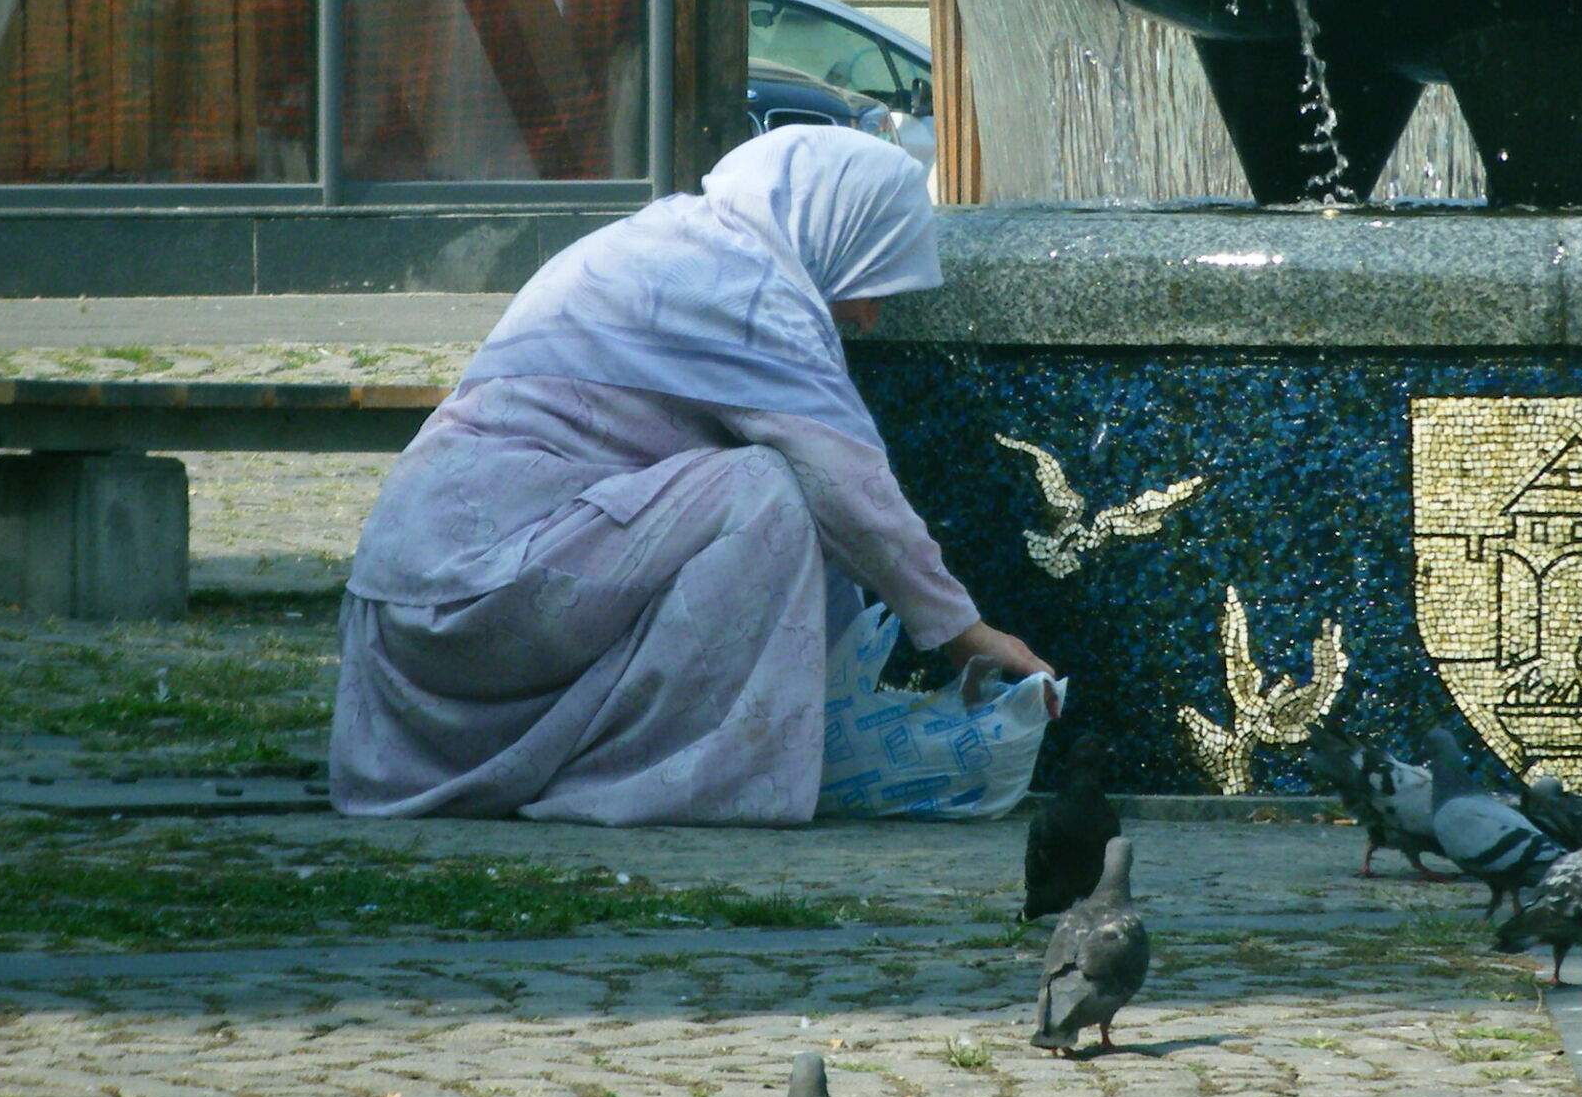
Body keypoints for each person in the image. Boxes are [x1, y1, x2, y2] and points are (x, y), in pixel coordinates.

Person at [330, 127, 1054, 824]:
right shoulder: (742, 288)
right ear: (833, 228)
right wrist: (966, 633)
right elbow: (850, 489)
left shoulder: (675, 244)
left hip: (423, 600)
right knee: (767, 489)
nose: (867, 316)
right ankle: (665, 777)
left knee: (781, 489)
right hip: (471, 597)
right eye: (873, 278)